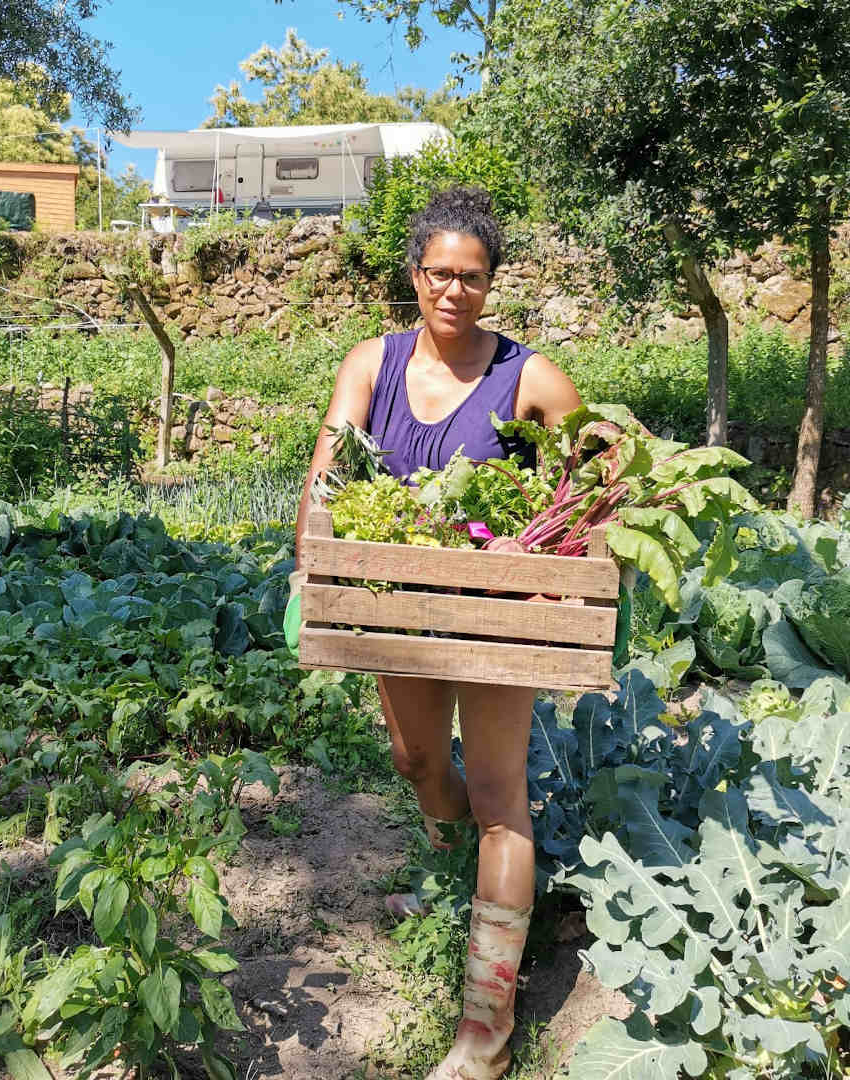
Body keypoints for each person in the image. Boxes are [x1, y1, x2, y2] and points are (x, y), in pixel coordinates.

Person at [291, 186, 582, 1080]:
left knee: (501, 798)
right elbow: (327, 470)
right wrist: (313, 559)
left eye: (474, 277)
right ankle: (459, 887)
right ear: (415, 276)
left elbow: (594, 479)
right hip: (396, 614)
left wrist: (564, 571)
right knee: (420, 765)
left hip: (496, 617)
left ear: (492, 284)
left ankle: (484, 1034)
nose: (455, 291)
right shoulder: (371, 365)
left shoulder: (529, 376)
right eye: (440, 274)